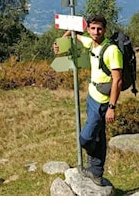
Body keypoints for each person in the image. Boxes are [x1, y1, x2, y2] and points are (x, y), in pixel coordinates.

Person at [53, 14, 123, 186]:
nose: (96, 32)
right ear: (88, 29)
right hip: (92, 96)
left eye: (99, 29)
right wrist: (60, 43)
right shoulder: (91, 42)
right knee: (98, 136)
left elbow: (118, 80)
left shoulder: (111, 50)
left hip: (102, 102)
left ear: (105, 30)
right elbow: (74, 36)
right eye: (92, 28)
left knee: (86, 138)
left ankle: (94, 163)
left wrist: (112, 107)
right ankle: (96, 173)